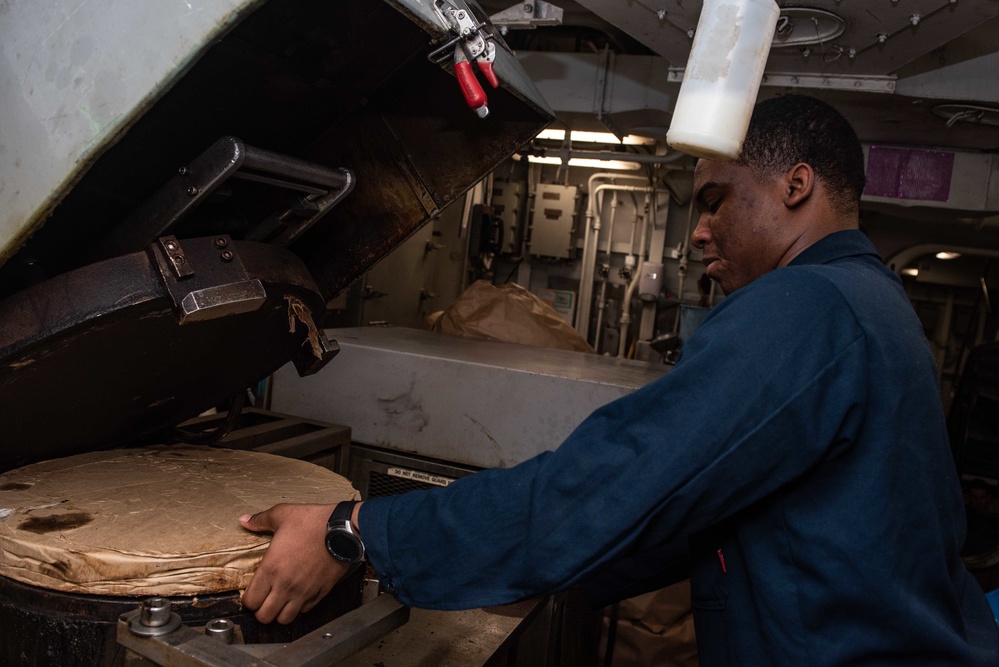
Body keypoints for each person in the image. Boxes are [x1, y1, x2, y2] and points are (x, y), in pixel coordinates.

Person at [238, 95, 999, 665]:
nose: (697, 229)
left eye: (713, 200)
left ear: (795, 185)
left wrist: (353, 531)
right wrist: (517, 561)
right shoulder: (873, 300)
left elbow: (615, 481)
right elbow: (689, 517)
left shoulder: (806, 305)